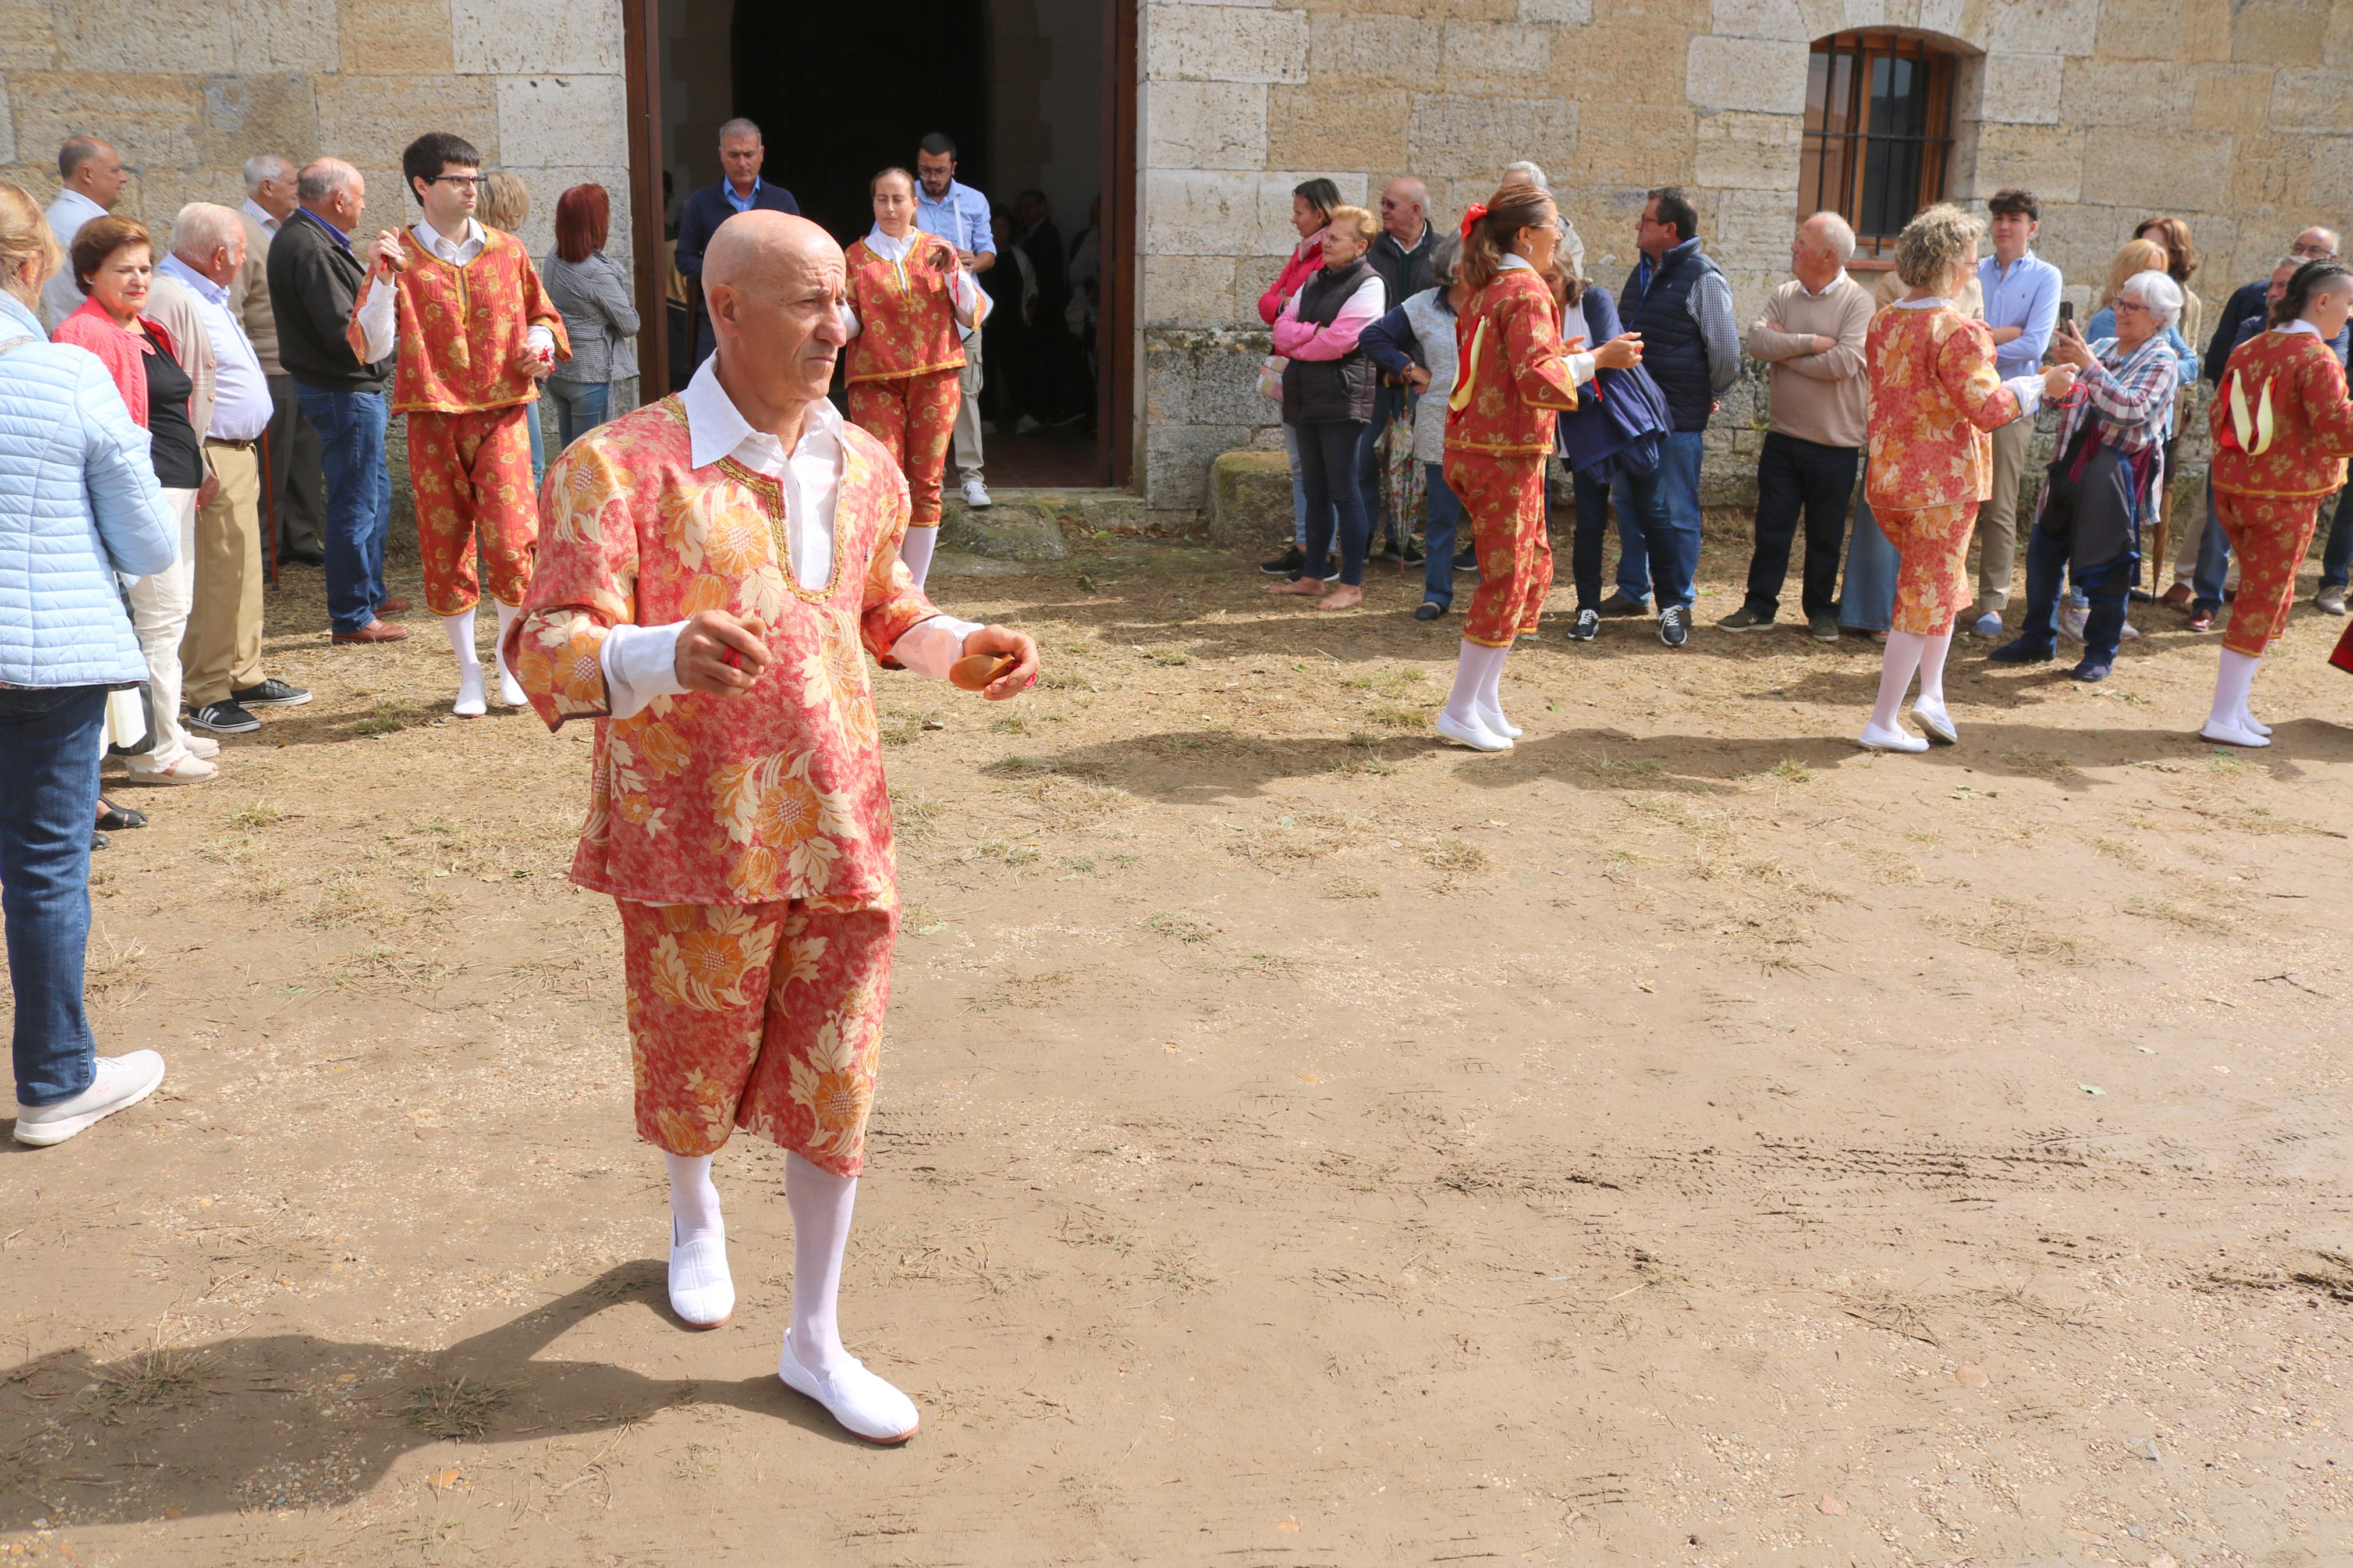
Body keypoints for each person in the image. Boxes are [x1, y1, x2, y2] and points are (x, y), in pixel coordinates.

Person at [502, 209, 1039, 1443]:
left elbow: (883, 607)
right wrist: (656, 651)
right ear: (724, 308)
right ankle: (693, 1206)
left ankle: (814, 1337)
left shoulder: (863, 462)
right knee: (694, 1062)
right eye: (811, 303)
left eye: (842, 301)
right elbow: (541, 648)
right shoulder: (618, 466)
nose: (839, 326)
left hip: (842, 824)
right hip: (694, 831)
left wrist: (959, 650)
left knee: (835, 1078)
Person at [0, 180, 179, 1147]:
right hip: (41, 661)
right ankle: (57, 1079)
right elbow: (149, 544)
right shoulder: (65, 374)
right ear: (31, 267)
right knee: (41, 870)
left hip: (42, 655)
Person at [353, 133, 567, 718]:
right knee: (445, 546)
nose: (472, 189)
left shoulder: (507, 249)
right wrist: (385, 281)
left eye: (474, 178)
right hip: (432, 415)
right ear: (423, 185)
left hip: (502, 412)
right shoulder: (395, 254)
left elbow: (541, 313)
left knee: (511, 539)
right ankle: (467, 671)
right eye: (457, 179)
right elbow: (372, 345)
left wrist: (537, 345)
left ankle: (506, 662)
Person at [1858, 204, 2074, 753]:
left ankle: (1931, 695)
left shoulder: (1884, 320)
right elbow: (1989, 407)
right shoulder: (1957, 329)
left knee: (1942, 589)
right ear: (1949, 264)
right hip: (1942, 488)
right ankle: (1883, 719)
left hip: (1889, 479)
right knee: (1921, 600)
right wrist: (2040, 385)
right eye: (1970, 260)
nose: (1975, 269)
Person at [1432, 183, 1601, 752]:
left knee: (1526, 571)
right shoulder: (1525, 289)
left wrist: (1565, 357)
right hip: (1499, 454)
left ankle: (1482, 699)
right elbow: (1535, 380)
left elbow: (1510, 366)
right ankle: (1460, 707)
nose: (1560, 236)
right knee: (1508, 577)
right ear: (1526, 235)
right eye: (1555, 226)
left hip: (1481, 448)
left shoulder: (1490, 285)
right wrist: (1594, 360)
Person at [54, 216, 218, 785]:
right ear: (89, 274)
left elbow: (170, 412)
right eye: (122, 269)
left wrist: (203, 466)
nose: (138, 278)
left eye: (145, 267)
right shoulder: (85, 335)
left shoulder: (144, 328)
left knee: (172, 614)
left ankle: (166, 727)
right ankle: (155, 751)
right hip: (141, 494)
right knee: (158, 617)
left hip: (176, 488)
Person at [151, 204, 312, 738]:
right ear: (221, 254)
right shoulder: (172, 295)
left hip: (237, 448)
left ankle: (242, 671)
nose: (247, 259)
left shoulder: (205, 292)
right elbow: (164, 387)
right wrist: (194, 456)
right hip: (210, 450)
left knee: (243, 567)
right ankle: (207, 690)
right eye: (244, 250)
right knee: (216, 574)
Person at [1989, 269, 2185, 682]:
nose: (2120, 311)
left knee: (2108, 569)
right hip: (2069, 466)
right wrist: (2055, 381)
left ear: (2158, 318)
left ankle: (2099, 652)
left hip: (2115, 482)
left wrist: (2087, 367)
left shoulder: (2161, 359)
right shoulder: (2099, 346)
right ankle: (2038, 637)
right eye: (2119, 301)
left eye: (2132, 306)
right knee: (2043, 555)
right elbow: (2063, 403)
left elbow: (2131, 411)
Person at [2200, 260, 2353, 746]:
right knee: (2261, 599)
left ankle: (2236, 706)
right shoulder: (2315, 357)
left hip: (2233, 489)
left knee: (2265, 595)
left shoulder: (2249, 347)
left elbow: (2217, 415)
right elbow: (2336, 432)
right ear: (2323, 301)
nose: (2349, 316)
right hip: (2282, 499)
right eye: (2347, 304)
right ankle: (2222, 714)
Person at [268, 158, 406, 646]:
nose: (365, 205)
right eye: (361, 196)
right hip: (342, 388)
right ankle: (351, 614)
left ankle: (368, 591)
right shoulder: (309, 245)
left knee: (373, 492)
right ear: (339, 200)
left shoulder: (314, 239)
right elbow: (344, 332)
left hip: (349, 387)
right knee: (355, 501)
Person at [1722, 212, 1873, 639]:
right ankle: (1758, 605)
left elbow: (1845, 363)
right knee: (1772, 527)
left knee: (1825, 535)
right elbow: (1756, 342)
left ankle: (1820, 610)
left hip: (1834, 445)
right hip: (1783, 438)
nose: (1792, 246)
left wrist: (1783, 350)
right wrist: (1807, 344)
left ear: (1826, 255)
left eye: (1800, 241)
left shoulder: (1859, 303)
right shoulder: (1785, 293)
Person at [1599, 187, 1738, 644]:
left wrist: (1707, 394)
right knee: (1629, 505)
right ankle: (1633, 590)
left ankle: (1678, 602)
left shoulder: (1703, 278)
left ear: (1669, 230)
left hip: (1677, 418)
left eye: (1644, 221)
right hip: (1631, 418)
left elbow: (1725, 353)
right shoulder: (1640, 274)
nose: (1637, 227)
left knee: (1676, 512)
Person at [844, 167, 986, 591]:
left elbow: (970, 314)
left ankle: (914, 591)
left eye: (898, 199)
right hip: (875, 378)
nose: (890, 208)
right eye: (881, 199)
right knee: (884, 479)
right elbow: (850, 321)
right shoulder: (853, 257)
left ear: (914, 204)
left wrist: (953, 273)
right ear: (872, 204)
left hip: (936, 373)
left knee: (926, 482)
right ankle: (883, 583)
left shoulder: (937, 251)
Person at [1266, 205, 1387, 613]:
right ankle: (1312, 577)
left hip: (1341, 398)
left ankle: (1351, 585)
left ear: (1360, 245)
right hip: (1304, 395)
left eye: (1335, 237)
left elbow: (1342, 341)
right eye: (1327, 235)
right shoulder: (1316, 278)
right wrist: (1310, 334)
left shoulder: (1370, 285)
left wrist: (1305, 339)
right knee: (1315, 490)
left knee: (1343, 491)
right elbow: (1280, 329)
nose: (1326, 242)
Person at [2184, 258, 2302, 633]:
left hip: (2288, 453)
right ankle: (2206, 602)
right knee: (2218, 524)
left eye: (2284, 286)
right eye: (2273, 284)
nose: (2273, 292)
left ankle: (2256, 609)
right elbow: (2239, 378)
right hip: (2240, 438)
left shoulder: (2328, 337)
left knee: (2271, 537)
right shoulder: (2252, 329)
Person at [1969, 189, 2064, 638]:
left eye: (2014, 219)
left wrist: (1977, 337)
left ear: (2032, 227)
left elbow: (2034, 345)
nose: (2003, 226)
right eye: (1998, 218)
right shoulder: (1973, 269)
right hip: (1964, 394)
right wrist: (1999, 334)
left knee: (2000, 503)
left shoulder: (2046, 276)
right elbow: (1953, 328)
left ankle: (1991, 602)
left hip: (2013, 399)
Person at [1361, 237, 1468, 619]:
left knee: (1495, 520)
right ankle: (1436, 594)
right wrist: (1411, 369)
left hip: (1490, 427)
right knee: (1441, 515)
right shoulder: (1423, 306)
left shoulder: (1496, 304)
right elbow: (1372, 336)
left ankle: (1501, 600)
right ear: (1456, 269)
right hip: (1440, 423)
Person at [229, 152, 326, 567]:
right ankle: (267, 548)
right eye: (292, 183)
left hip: (303, 364)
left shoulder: (294, 227)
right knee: (271, 461)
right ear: (266, 187)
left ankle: (301, 536)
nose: (299, 192)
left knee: (305, 456)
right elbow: (232, 308)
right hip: (268, 365)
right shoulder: (241, 232)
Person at [1258, 177, 1340, 581]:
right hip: (1292, 369)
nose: (1293, 220)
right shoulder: (1302, 253)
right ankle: (1307, 544)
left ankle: (1323, 552)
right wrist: (1287, 307)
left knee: (1319, 464)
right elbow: (1267, 303)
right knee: (1299, 465)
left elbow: (1317, 315)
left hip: (1315, 371)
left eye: (1299, 212)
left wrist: (1287, 309)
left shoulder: (1327, 256)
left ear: (1319, 214)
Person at [912, 133, 998, 511]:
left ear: (953, 168)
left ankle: (971, 478)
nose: (931, 177)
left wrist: (972, 262)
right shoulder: (903, 195)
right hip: (918, 311)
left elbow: (990, 253)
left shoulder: (973, 201)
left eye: (939, 171)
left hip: (963, 311)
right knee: (921, 395)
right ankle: (925, 479)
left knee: (965, 394)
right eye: (925, 170)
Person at [674, 119, 801, 369]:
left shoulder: (782, 201)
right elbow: (684, 259)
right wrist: (726, 271)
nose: (742, 163)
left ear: (761, 154)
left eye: (748, 154)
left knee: (774, 387)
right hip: (718, 316)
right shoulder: (701, 202)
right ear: (721, 155)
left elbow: (799, 258)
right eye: (734, 155)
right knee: (713, 387)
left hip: (774, 314)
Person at [1361, 177, 1437, 564]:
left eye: (1391, 204)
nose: (1384, 210)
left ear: (1415, 211)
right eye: (1383, 203)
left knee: (1413, 462)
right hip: (1372, 373)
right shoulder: (1370, 250)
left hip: (1425, 378)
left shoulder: (1442, 255)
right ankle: (1361, 538)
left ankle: (1401, 540)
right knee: (1364, 458)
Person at [541, 183, 638, 451]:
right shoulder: (598, 273)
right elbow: (630, 325)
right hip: (589, 375)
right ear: (596, 222)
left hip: (560, 370)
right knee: (590, 457)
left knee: (568, 456)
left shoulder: (554, 255)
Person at [474, 172, 546, 490]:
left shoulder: (508, 252)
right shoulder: (505, 253)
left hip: (513, 374)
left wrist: (543, 350)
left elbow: (539, 316)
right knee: (531, 470)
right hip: (509, 380)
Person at [40, 136, 127, 331]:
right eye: (115, 170)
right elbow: (120, 300)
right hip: (101, 340)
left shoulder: (52, 217)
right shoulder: (92, 227)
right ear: (87, 174)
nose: (124, 178)